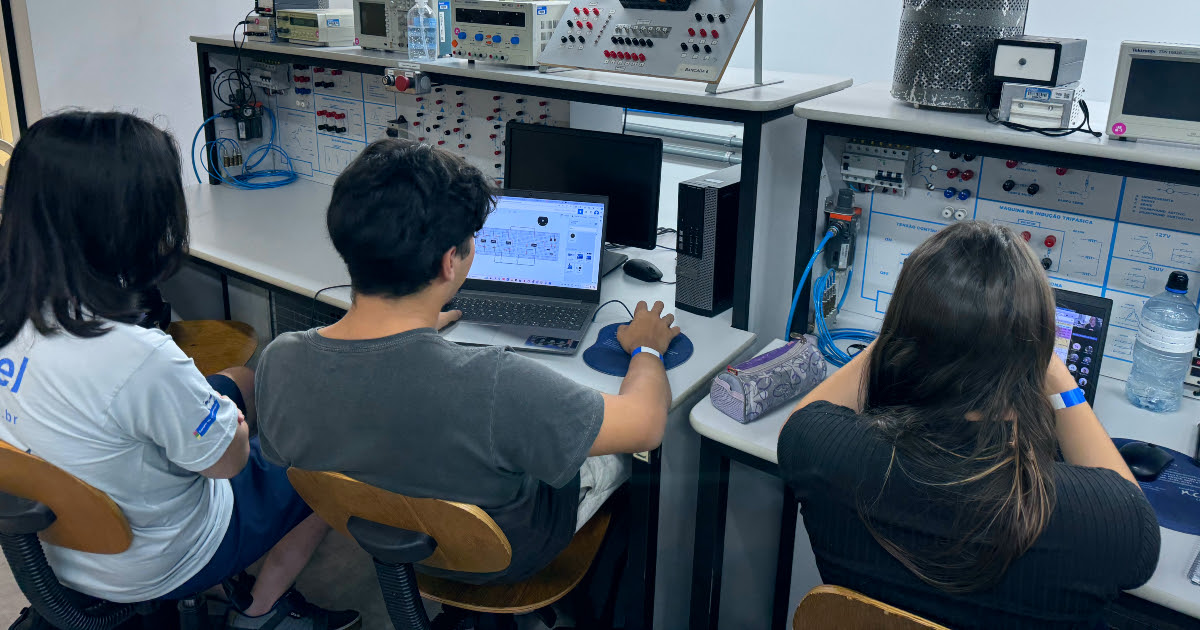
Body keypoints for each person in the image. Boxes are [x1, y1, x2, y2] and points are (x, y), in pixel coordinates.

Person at [255, 139, 681, 584]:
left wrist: (414, 325)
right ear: (449, 263)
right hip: (503, 556)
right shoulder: (495, 383)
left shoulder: (280, 360)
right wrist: (647, 349)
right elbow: (646, 425)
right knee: (625, 455)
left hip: (377, 536)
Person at [0, 112, 360, 630]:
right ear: (134, 222)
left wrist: (218, 410)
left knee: (244, 378)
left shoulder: (19, 315)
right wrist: (233, 428)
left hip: (54, 545)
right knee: (330, 440)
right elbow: (228, 464)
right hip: (162, 558)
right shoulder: (137, 356)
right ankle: (263, 609)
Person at [778, 221, 1159, 630]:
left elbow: (807, 415)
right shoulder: (1103, 520)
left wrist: (907, 326)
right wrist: (1056, 374)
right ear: (1033, 360)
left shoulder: (818, 450)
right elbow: (1133, 512)